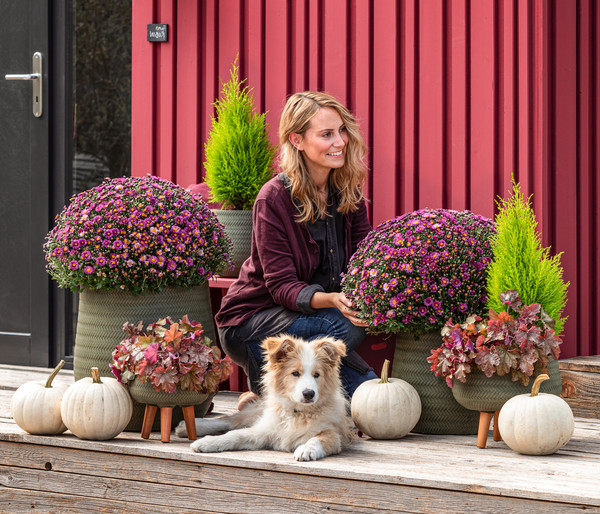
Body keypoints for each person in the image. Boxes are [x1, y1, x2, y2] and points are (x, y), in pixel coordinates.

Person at [215, 91, 377, 409]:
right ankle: (272, 386)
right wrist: (332, 299)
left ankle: (269, 397)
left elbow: (363, 257)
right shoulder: (272, 198)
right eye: (327, 134)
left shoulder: (348, 193)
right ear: (297, 140)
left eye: (342, 131)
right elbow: (281, 287)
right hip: (254, 323)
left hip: (312, 323)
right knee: (340, 325)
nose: (340, 141)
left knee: (369, 397)